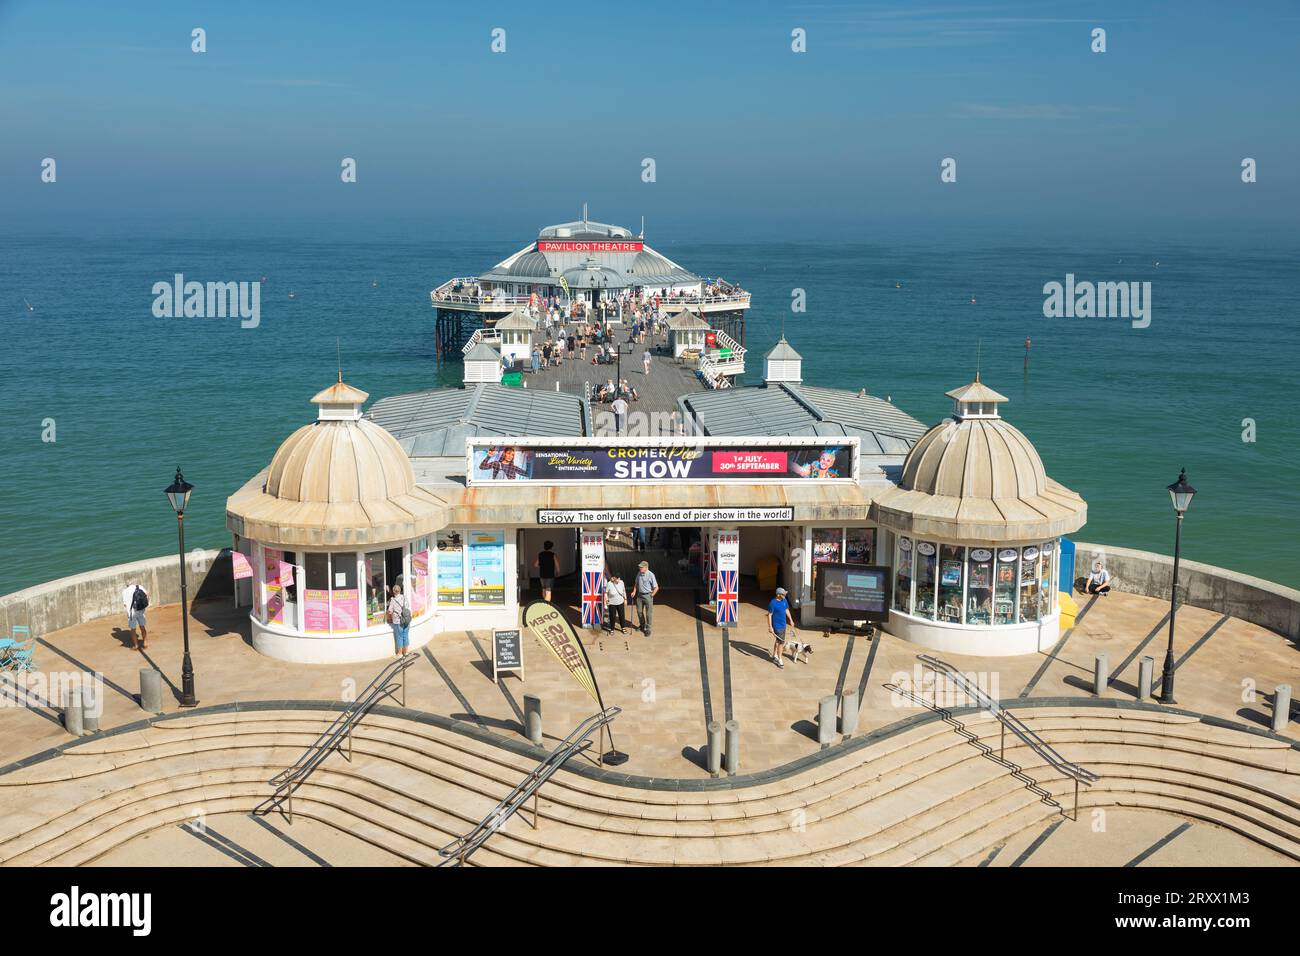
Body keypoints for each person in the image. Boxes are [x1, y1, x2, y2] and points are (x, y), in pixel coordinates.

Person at [767, 586, 796, 669]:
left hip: (784, 624)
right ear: (779, 595)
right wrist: (770, 627)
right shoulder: (772, 603)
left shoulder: (784, 600)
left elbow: (786, 610)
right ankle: (780, 659)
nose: (785, 595)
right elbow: (769, 615)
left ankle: (774, 655)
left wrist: (791, 620)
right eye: (783, 594)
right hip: (777, 626)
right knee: (781, 642)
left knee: (778, 640)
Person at [633, 560, 659, 636]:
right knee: (639, 611)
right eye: (639, 567)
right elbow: (636, 583)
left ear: (646, 567)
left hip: (648, 596)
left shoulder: (651, 575)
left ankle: (648, 628)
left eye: (641, 567)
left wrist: (651, 595)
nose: (639, 568)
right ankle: (642, 625)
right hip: (639, 596)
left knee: (648, 614)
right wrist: (634, 591)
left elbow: (656, 587)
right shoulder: (639, 573)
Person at [121, 581, 149, 650]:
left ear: (127, 585)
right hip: (140, 611)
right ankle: (145, 643)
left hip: (131, 613)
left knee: (133, 629)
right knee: (142, 627)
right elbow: (147, 595)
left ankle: (136, 645)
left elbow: (125, 604)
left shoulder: (125, 591)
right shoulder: (139, 586)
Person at [387, 582, 411, 656]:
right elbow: (407, 605)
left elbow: (390, 611)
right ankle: (406, 651)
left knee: (399, 636)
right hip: (406, 619)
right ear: (400, 591)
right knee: (405, 635)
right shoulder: (404, 597)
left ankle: (400, 653)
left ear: (394, 591)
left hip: (398, 621)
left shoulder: (393, 600)